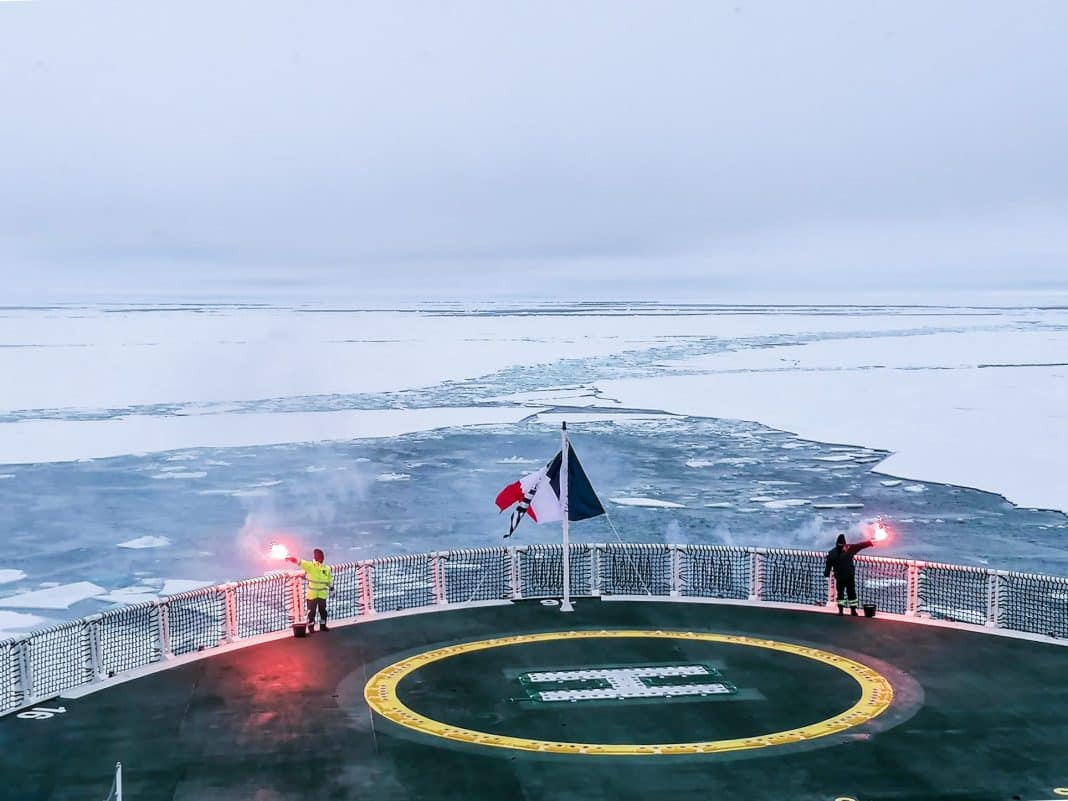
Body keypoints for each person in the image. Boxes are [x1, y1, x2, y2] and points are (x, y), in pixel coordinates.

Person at [824, 534, 873, 616]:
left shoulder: (832, 553)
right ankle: (853, 611)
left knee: (840, 594)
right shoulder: (849, 549)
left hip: (839, 577)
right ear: (844, 543)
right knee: (852, 594)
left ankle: (841, 611)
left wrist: (826, 574)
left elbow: (828, 565)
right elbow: (860, 546)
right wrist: (869, 543)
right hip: (849, 576)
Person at [286, 548, 333, 632]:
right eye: (320, 557)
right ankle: (311, 627)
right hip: (312, 594)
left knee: (323, 611)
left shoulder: (327, 568)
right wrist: (289, 558)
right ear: (316, 557)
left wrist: (332, 588)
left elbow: (329, 580)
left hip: (322, 593)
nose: (321, 558)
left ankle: (323, 625)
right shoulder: (310, 566)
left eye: (322, 557)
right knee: (311, 612)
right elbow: (298, 562)